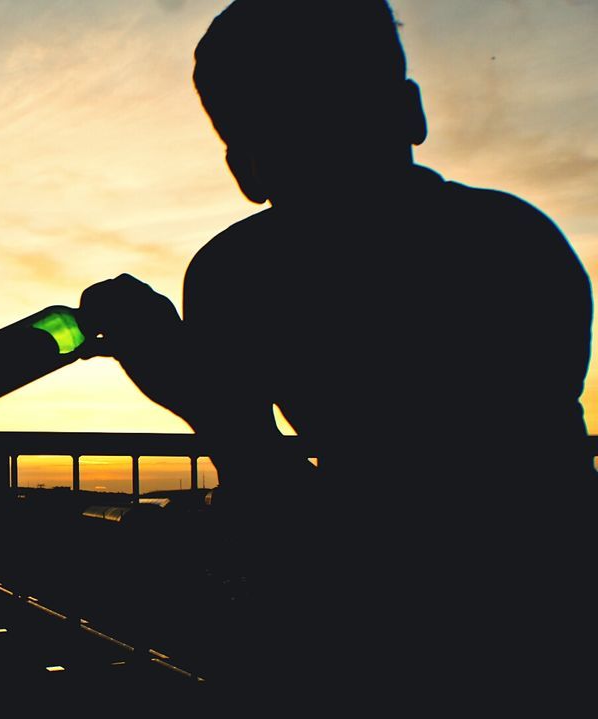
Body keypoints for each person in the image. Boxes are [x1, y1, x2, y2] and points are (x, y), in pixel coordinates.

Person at [77, 0, 594, 711]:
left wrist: (209, 405)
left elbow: (339, 555)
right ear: (410, 111)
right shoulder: (516, 243)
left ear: (244, 167)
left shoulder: (241, 276)